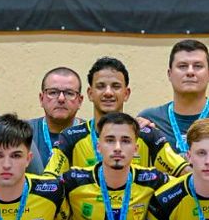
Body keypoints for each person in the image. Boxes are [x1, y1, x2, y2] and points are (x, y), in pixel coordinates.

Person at [44, 56, 188, 175]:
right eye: (100, 86)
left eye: (116, 86)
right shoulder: (70, 138)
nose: (108, 92)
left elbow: (184, 173)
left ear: (126, 94)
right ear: (90, 94)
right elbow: (49, 182)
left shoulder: (147, 135)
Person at [59, 112, 168, 220]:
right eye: (110, 140)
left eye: (126, 141)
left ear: (136, 149)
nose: (117, 148)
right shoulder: (74, 181)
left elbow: (190, 184)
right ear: (98, 147)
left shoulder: (152, 180)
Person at [137, 39, 209, 153]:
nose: (190, 72)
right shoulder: (149, 120)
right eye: (182, 66)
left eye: (198, 66)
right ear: (169, 74)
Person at [30, 66, 83, 173]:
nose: (61, 99)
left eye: (69, 93)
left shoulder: (90, 135)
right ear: (41, 98)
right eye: (53, 92)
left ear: (80, 101)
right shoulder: (23, 134)